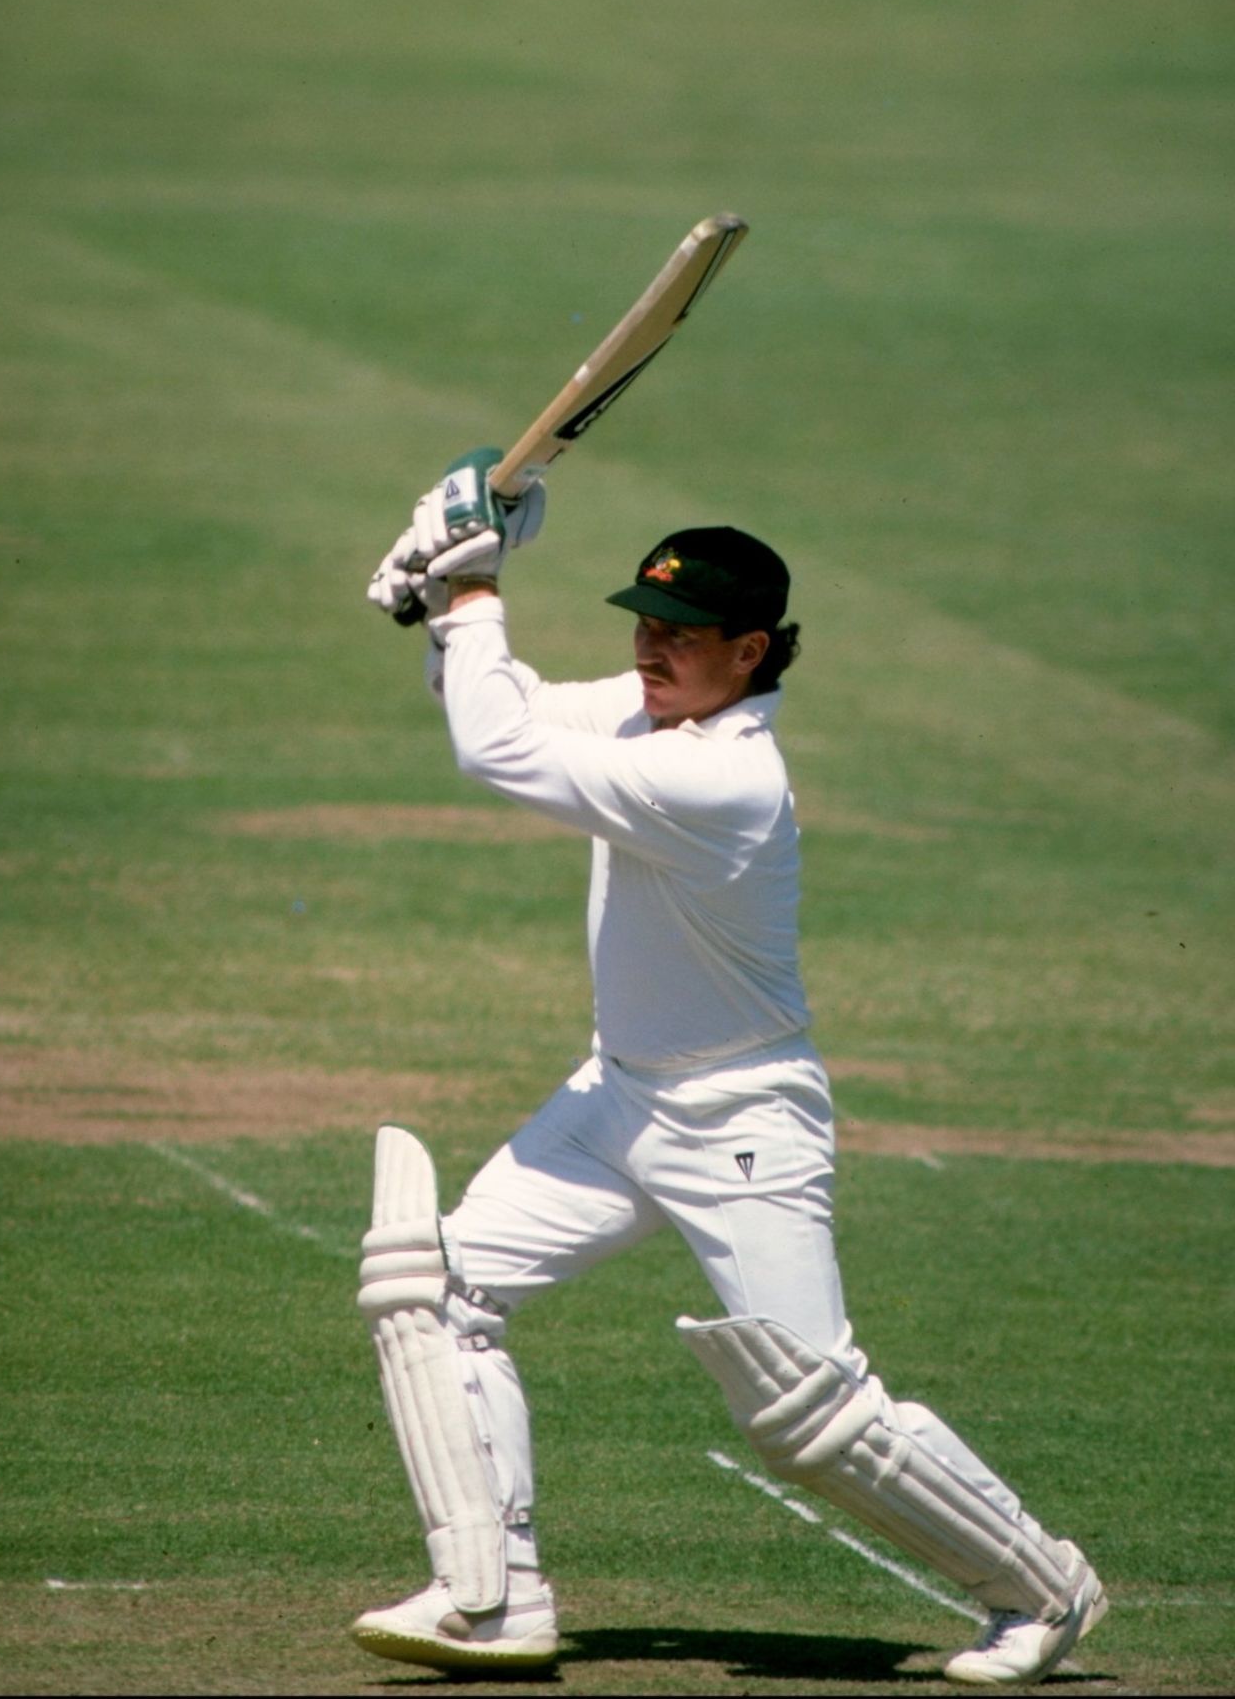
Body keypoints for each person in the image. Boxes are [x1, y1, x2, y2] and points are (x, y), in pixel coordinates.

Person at [352, 447, 1107, 1686]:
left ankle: (1043, 1590)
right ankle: (493, 1600)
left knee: (806, 1413)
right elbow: (513, 704)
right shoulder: (655, 713)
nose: (652, 651)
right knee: (432, 1292)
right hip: (617, 1097)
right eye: (645, 624)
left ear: (749, 651)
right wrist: (447, 610)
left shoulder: (720, 779)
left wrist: (474, 589)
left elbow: (494, 753)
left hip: (741, 1116)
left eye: (683, 635)